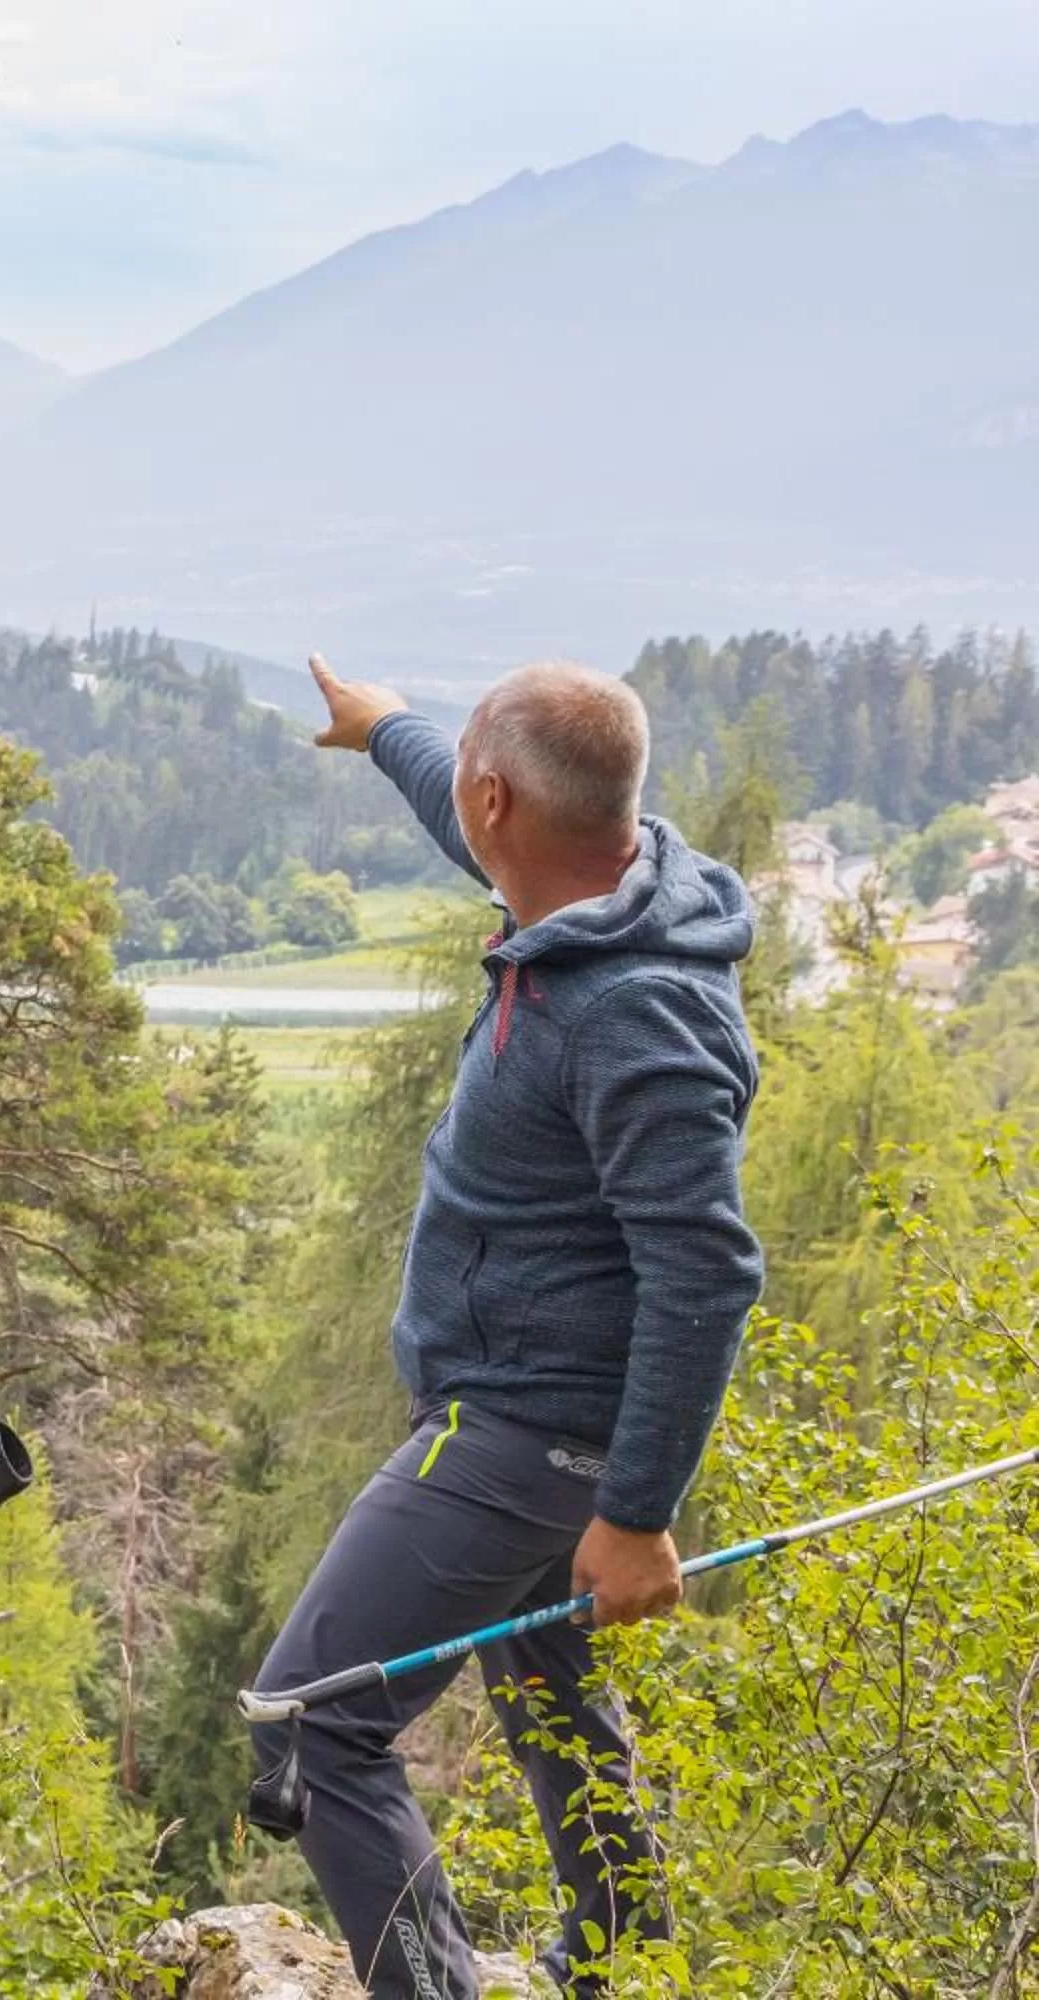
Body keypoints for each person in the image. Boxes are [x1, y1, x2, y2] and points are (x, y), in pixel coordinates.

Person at [255, 656, 766, 1997]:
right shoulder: (599, 882)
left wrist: (642, 1510)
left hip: (525, 1435)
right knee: (548, 1690)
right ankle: (624, 1968)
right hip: (538, 1426)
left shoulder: (634, 1012)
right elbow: (462, 800)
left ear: (504, 801)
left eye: (467, 778)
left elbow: (707, 1271)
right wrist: (383, 733)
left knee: (311, 1723)